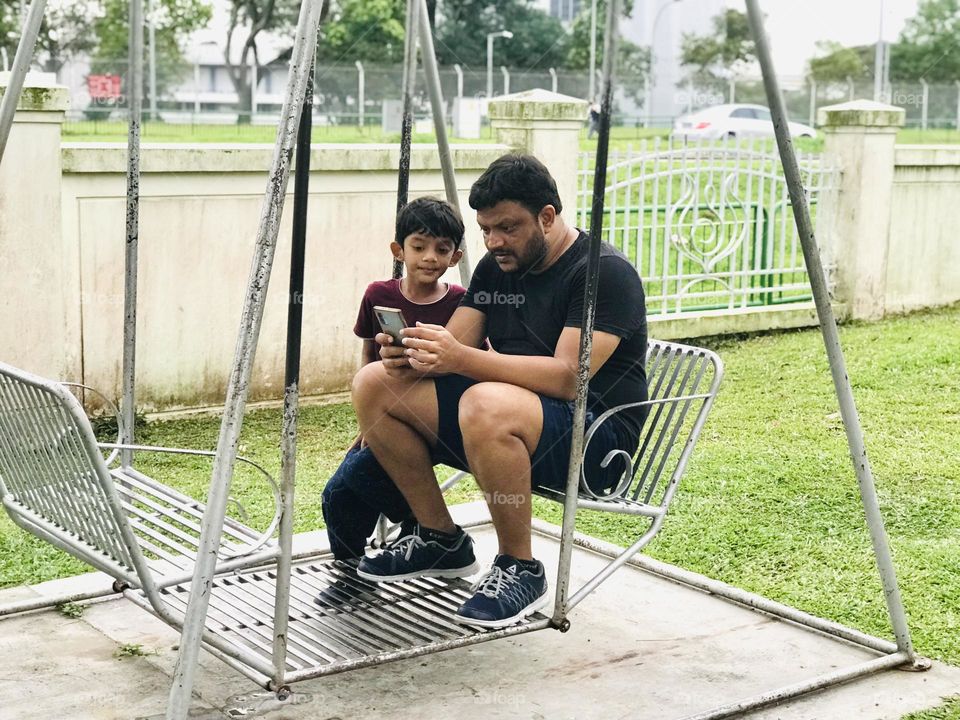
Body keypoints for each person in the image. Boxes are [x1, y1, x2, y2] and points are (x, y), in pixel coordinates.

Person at [351, 154, 648, 628]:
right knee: (375, 385)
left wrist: (459, 359)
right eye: (486, 229)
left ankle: (520, 568)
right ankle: (440, 538)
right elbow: (460, 342)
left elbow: (569, 377)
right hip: (504, 420)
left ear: (547, 217)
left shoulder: (603, 274)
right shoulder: (496, 268)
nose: (494, 242)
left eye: (507, 228)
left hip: (592, 441)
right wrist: (414, 356)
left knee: (484, 400)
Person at [319, 196, 467, 566]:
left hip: (433, 416)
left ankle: (427, 529)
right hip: (386, 410)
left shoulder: (462, 303)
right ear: (399, 250)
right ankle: (349, 566)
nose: (430, 257)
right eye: (419, 247)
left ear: (456, 257)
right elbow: (370, 357)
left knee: (357, 475)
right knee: (339, 495)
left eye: (442, 249)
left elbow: (471, 364)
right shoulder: (379, 295)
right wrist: (369, 420)